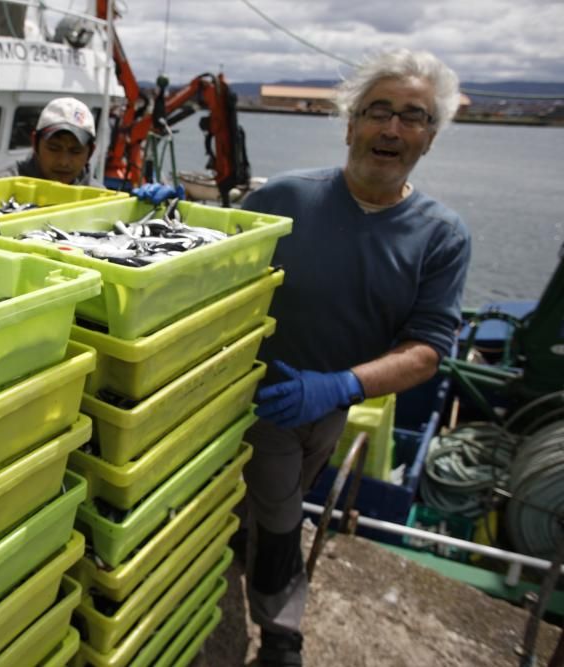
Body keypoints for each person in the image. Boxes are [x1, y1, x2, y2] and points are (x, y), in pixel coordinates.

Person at [238, 49, 471, 666]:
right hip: (249, 394)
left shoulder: (441, 236)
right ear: (350, 124)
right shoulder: (284, 196)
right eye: (379, 112)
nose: (392, 129)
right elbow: (202, 254)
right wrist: (163, 210)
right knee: (283, 516)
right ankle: (282, 635)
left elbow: (426, 352)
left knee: (275, 505)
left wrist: (336, 386)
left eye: (413, 117)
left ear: (430, 138)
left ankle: (250, 567)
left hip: (332, 403)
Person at [0, 96, 96, 185]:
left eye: (76, 151)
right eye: (54, 148)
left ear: (90, 152)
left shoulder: (102, 198)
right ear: (35, 143)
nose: (64, 162)